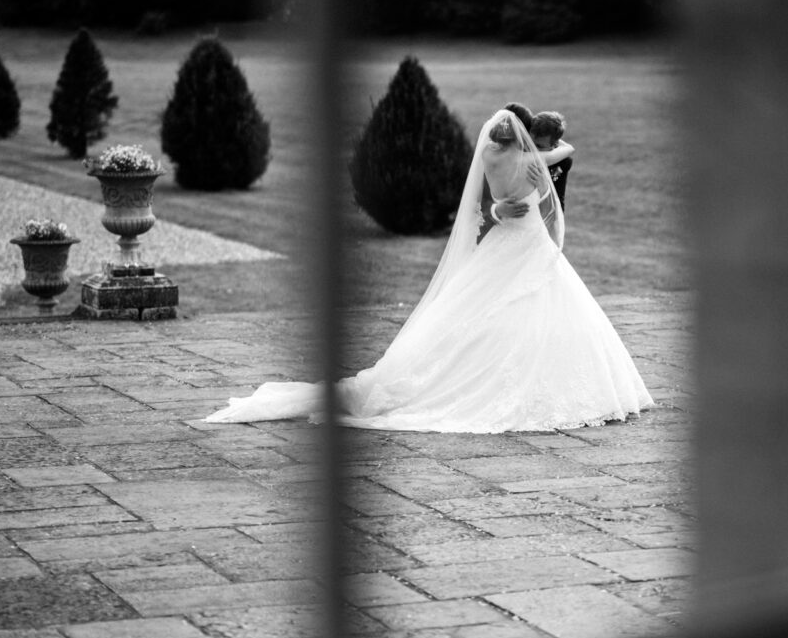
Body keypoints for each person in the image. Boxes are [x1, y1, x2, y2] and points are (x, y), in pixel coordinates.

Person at [206, 108, 652, 432]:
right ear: (521, 136)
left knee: (481, 306)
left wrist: (498, 205)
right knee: (542, 303)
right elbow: (566, 150)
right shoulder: (534, 161)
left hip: (503, 236)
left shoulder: (491, 159)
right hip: (530, 238)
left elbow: (485, 204)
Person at [478, 103, 574, 243]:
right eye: (529, 141)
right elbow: (480, 200)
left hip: (537, 239)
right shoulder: (503, 158)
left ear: (554, 146)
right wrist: (497, 210)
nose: (531, 148)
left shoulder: (561, 164)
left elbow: (559, 207)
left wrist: (544, 188)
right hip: (502, 238)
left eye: (539, 146)